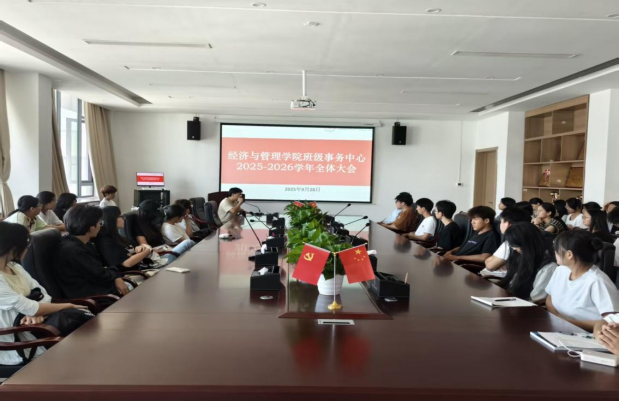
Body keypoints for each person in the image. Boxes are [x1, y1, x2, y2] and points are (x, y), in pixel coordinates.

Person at [0, 222, 88, 365]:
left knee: (86, 336)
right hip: (16, 342)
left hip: (36, 328)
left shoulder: (14, 267)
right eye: (26, 244)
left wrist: (36, 311)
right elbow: (29, 307)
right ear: (13, 247)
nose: (28, 248)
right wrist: (68, 305)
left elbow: (42, 293)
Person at [545, 230, 619, 331]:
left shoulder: (597, 281)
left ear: (569, 254)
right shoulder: (560, 270)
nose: (555, 252)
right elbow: (550, 297)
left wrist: (565, 322)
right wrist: (556, 318)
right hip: (558, 327)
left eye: (557, 249)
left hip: (584, 334)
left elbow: (612, 323)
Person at [55, 205, 132, 300]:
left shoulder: (82, 243)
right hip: (87, 295)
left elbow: (100, 269)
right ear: (92, 228)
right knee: (131, 288)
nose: (100, 225)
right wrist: (116, 276)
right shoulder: (74, 250)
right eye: (100, 223)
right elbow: (100, 274)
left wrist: (116, 276)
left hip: (93, 285)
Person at [499, 223, 557, 302]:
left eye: (516, 245)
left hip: (526, 306)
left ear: (528, 243)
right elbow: (512, 284)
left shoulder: (548, 267)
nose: (514, 249)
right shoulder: (520, 257)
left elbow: (536, 299)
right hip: (513, 301)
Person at [95, 206, 153, 271]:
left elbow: (131, 251)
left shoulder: (118, 237)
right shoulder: (106, 241)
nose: (124, 218)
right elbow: (127, 263)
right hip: (127, 274)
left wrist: (139, 249)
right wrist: (147, 250)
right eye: (120, 216)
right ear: (111, 219)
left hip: (138, 269)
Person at [484, 207, 532, 271]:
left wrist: (487, 260)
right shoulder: (532, 238)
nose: (500, 225)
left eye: (501, 222)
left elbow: (490, 266)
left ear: (507, 224)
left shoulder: (511, 243)